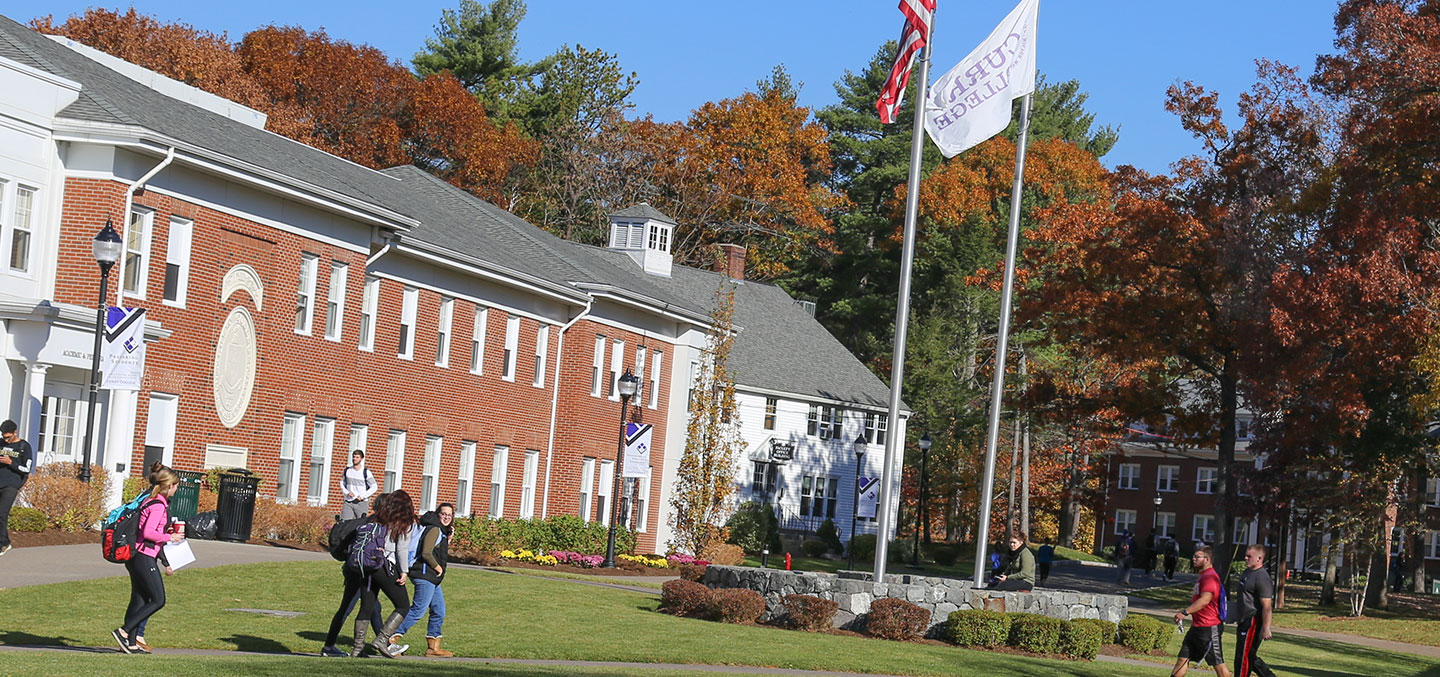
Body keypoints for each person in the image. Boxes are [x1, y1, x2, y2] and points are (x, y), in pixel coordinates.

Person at [112, 463, 185, 654]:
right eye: (175, 486)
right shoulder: (158, 505)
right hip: (144, 556)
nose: (176, 489)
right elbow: (149, 532)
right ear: (169, 486)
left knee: (140, 600)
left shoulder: (148, 500)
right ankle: (124, 631)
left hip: (137, 556)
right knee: (158, 599)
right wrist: (171, 537)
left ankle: (131, 643)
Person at [321, 493, 395, 657]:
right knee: (347, 608)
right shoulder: (374, 526)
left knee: (374, 608)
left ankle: (381, 645)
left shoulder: (365, 523)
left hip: (354, 569)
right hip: (360, 573)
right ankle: (329, 646)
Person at [350, 489, 417, 659]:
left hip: (366, 566)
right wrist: (404, 572)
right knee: (403, 605)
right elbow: (401, 549)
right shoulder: (403, 522)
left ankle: (357, 649)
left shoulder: (378, 517)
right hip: (384, 565)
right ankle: (382, 639)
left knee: (366, 606)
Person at [390, 503, 455, 657]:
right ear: (438, 514)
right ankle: (388, 639)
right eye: (443, 514)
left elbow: (436, 549)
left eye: (449, 515)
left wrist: (448, 539)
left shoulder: (440, 530)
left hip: (431, 577)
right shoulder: (434, 529)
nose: (446, 517)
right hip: (425, 575)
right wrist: (438, 567)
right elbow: (426, 553)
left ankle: (433, 648)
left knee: (439, 610)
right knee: (418, 610)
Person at [1171, 546, 1231, 677]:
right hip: (1196, 627)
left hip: (1209, 628)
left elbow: (1205, 600)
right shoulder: (1203, 576)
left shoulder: (1210, 577)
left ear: (1207, 559)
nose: (1193, 559)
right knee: (1182, 659)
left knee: (1218, 664)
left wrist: (1185, 612)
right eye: (1194, 556)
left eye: (1197, 557)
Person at [1233, 544, 1277, 677]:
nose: (1245, 558)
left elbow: (1267, 606)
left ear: (1259, 558)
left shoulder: (1262, 577)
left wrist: (1266, 627)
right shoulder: (1247, 572)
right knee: (1249, 654)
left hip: (1253, 621)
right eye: (1246, 555)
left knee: (1243, 656)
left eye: (1249, 556)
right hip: (1243, 619)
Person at [0, 419, 34, 557]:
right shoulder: (1, 443)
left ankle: (2, 544)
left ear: (15, 432)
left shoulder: (24, 446)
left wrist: (11, 462)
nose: (6, 440)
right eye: (4, 436)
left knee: (2, 514)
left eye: (8, 437)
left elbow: (26, 469)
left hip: (11, 485)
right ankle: (6, 541)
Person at [338, 450, 377, 521]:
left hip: (361, 503)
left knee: (360, 524)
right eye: (353, 457)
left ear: (361, 459)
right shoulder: (347, 471)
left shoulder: (366, 472)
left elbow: (374, 487)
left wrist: (362, 496)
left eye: (357, 457)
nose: (354, 459)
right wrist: (347, 492)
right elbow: (342, 483)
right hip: (348, 502)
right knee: (344, 523)